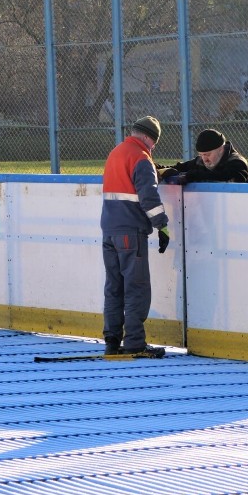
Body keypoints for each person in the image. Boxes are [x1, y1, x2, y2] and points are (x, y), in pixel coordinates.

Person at [100, 116, 169, 358]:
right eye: (154, 144)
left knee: (114, 287)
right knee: (136, 288)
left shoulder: (116, 153)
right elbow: (148, 197)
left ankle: (111, 340)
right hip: (131, 232)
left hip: (109, 231)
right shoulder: (141, 159)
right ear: (150, 139)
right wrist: (162, 226)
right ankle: (135, 342)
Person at [157, 129, 248, 184]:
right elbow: (178, 168)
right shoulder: (200, 161)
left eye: (208, 154)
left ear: (221, 149)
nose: (204, 159)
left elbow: (226, 177)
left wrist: (194, 176)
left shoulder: (238, 163)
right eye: (201, 155)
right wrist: (153, 167)